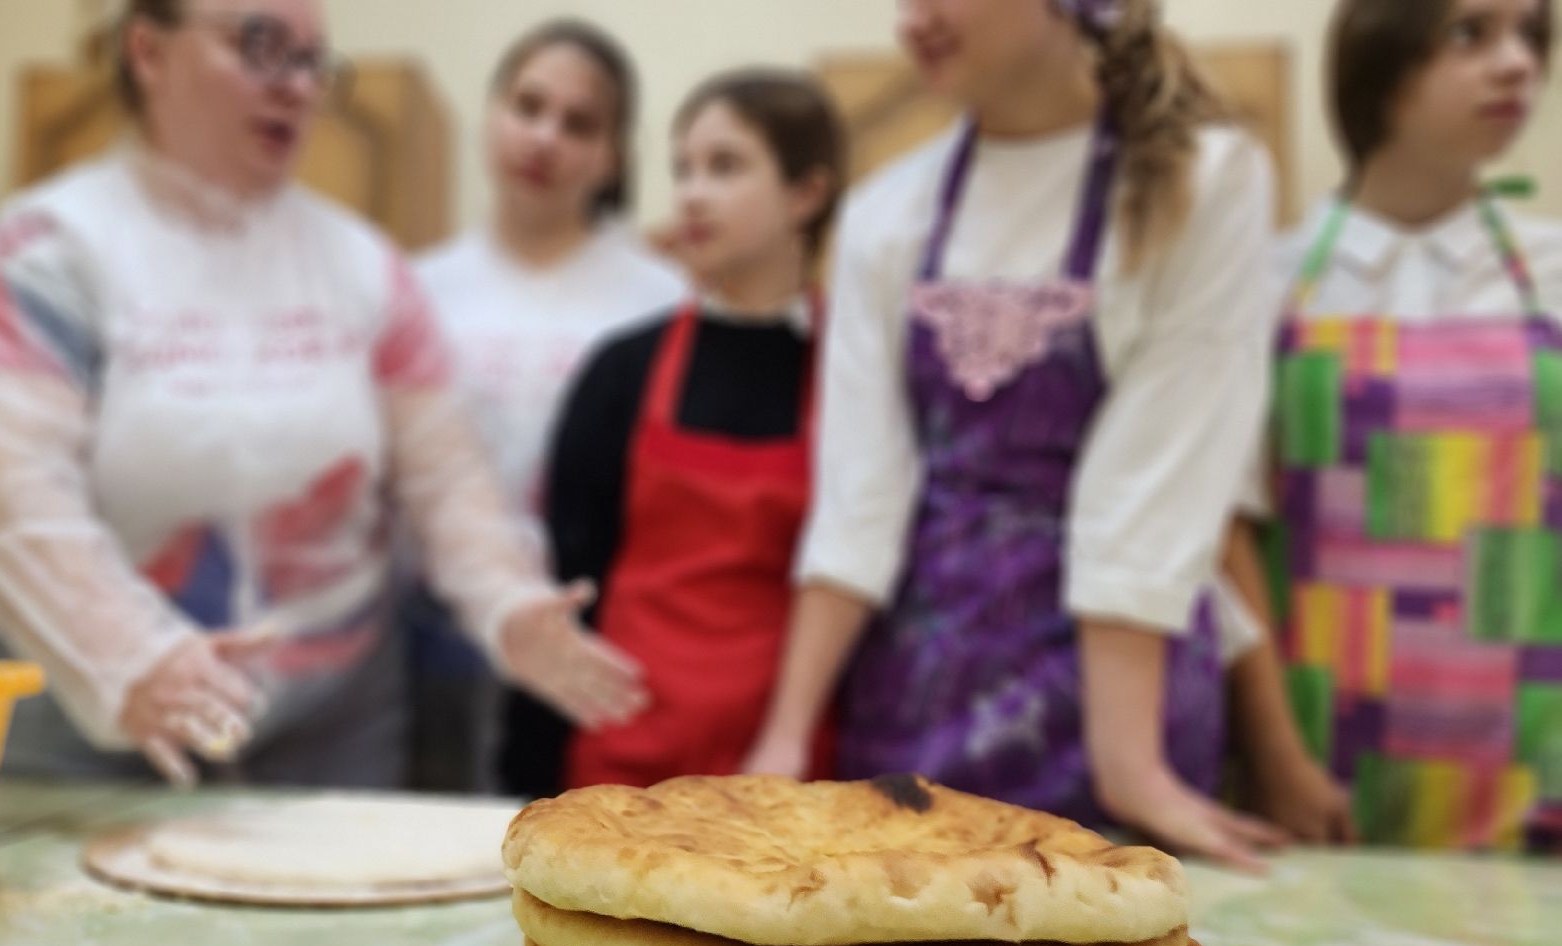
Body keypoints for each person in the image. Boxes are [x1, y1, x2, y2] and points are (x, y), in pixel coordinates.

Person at [0, 0, 645, 788]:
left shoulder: (365, 265)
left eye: (312, 62)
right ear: (148, 52)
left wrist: (506, 598)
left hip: (332, 733)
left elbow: (447, 476)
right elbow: (5, 493)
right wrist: (131, 658)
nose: (296, 86)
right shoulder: (47, 253)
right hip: (95, 729)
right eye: (260, 46)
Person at [750, 0, 1292, 870]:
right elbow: (861, 492)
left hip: (1119, 700)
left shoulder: (1206, 179)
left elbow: (1154, 482)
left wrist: (1130, 765)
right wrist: (782, 741)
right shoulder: (885, 214)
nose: (910, 21)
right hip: (917, 696)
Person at [1237, 0, 1558, 851]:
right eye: (1471, 33)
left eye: (1531, 35)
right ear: (1380, 59)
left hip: (1533, 759)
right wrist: (1277, 758)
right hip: (1323, 760)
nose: (1518, 63)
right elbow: (1228, 532)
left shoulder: (1555, 277)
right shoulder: (1265, 282)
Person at [500, 69, 843, 796]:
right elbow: (568, 581)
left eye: (725, 167)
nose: (690, 192)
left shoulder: (855, 378)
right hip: (624, 755)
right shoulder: (621, 371)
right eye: (683, 168)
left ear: (806, 193)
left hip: (783, 764)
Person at [408, 19, 685, 792]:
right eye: (527, 106)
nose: (544, 138)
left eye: (578, 123)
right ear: (491, 114)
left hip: (598, 634)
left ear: (612, 155)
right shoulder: (417, 289)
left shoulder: (657, 298)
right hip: (437, 632)